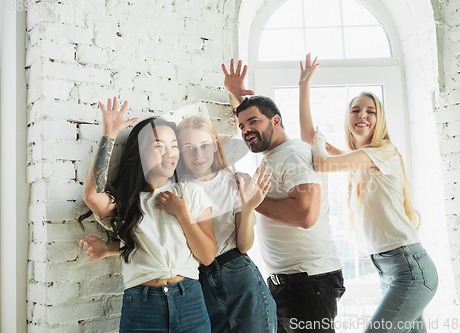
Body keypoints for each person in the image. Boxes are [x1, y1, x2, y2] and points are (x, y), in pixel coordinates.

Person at [299, 54, 438, 332]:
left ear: (379, 119)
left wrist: (321, 139)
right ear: (348, 117)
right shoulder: (356, 158)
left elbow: (320, 161)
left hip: (409, 268)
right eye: (356, 110)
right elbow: (308, 141)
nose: (362, 115)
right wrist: (304, 87)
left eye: (370, 111)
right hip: (389, 270)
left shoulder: (383, 152)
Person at [222, 59, 345, 333]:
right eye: (241, 126)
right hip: (288, 283)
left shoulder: (294, 154)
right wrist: (236, 94)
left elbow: (306, 214)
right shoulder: (274, 155)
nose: (245, 131)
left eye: (253, 122)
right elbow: (253, 121)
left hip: (309, 282)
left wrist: (251, 200)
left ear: (276, 121)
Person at [78, 97, 216, 333]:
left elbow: (207, 256)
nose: (169, 153)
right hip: (142, 304)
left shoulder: (191, 194)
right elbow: (92, 195)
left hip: (190, 300)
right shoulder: (125, 201)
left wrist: (183, 214)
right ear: (140, 152)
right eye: (158, 145)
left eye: (174, 145)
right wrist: (109, 135)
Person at [176, 115, 277, 332]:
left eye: (204, 145)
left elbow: (244, 245)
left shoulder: (232, 182)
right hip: (198, 280)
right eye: (189, 147)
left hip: (238, 274)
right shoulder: (177, 190)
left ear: (214, 146)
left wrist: (248, 208)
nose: (197, 154)